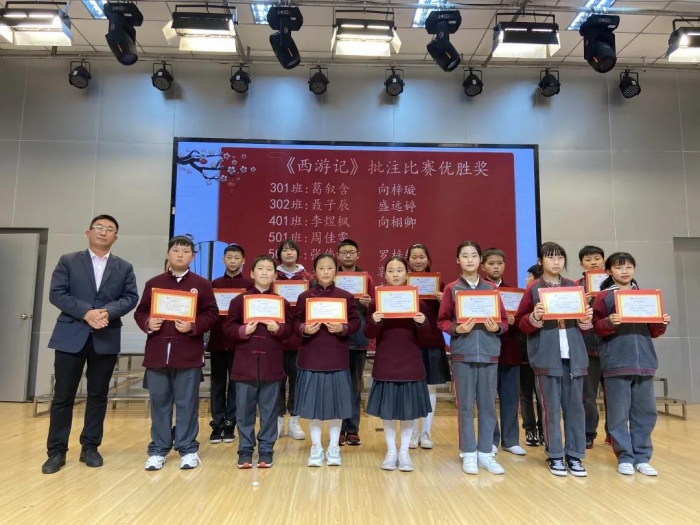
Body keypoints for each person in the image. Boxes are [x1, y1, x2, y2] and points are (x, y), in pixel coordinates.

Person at [42, 214, 139, 475]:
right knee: (63, 396)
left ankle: (90, 447)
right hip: (70, 335)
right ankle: (56, 451)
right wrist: (86, 312)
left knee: (98, 395)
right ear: (88, 232)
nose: (103, 232)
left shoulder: (124, 267)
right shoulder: (69, 261)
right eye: (99, 227)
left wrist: (107, 311)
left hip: (105, 336)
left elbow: (131, 297)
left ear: (115, 237)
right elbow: (57, 293)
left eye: (109, 229)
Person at [134, 236, 219, 471]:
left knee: (187, 403)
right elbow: (141, 311)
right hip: (158, 353)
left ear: (192, 256)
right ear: (167, 254)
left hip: (187, 353)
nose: (180, 254)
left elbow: (211, 314)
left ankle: (188, 448)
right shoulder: (154, 283)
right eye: (176, 250)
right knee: (159, 403)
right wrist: (148, 322)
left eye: (186, 251)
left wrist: (193, 325)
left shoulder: (202, 284)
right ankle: (158, 449)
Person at [515, 242, 592, 477]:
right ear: (540, 262)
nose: (556, 262)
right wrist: (534, 317)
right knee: (550, 409)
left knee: (575, 409)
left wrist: (585, 319)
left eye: (560, 257)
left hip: (574, 356)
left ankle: (575, 455)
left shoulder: (574, 288)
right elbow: (521, 323)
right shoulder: (533, 289)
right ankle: (555, 454)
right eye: (550, 258)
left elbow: (584, 326)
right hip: (547, 357)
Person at [593, 252, 670, 476]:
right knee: (618, 414)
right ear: (609, 271)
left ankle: (642, 458)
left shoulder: (646, 297)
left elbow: (654, 331)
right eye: (619, 267)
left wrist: (662, 323)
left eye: (629, 267)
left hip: (644, 362)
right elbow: (596, 327)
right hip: (616, 362)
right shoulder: (604, 297)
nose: (625, 271)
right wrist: (609, 322)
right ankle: (625, 457)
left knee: (646, 413)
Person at [437, 241, 508, 476]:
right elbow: (442, 321)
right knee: (465, 406)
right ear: (458, 260)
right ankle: (468, 452)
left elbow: (504, 321)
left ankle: (485, 453)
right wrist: (457, 329)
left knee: (488, 405)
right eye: (465, 256)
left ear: (480, 261)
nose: (470, 259)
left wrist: (496, 327)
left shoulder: (491, 289)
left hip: (489, 352)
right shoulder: (452, 289)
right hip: (463, 353)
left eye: (474, 255)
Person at [224, 255, 292, 469]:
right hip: (245, 365)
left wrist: (278, 329)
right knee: (244, 411)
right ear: (252, 273)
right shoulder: (239, 301)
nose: (264, 272)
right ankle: (245, 450)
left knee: (270, 411)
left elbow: (290, 330)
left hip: (271, 365)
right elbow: (228, 328)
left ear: (275, 275)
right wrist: (243, 330)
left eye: (269, 269)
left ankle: (266, 449)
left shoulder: (281, 302)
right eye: (260, 268)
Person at [293, 253, 360, 467]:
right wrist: (304, 329)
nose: (325, 272)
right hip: (311, 356)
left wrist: (343, 328)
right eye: (321, 268)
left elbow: (356, 322)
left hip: (336, 357)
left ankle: (333, 447)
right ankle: (316, 447)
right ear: (314, 271)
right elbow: (295, 322)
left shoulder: (345, 297)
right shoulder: (305, 297)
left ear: (336, 271)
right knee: (312, 406)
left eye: (330, 268)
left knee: (336, 405)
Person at [365, 256, 432, 472]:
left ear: (407, 273)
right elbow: (368, 333)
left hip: (410, 362)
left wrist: (422, 323)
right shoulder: (376, 302)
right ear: (384, 274)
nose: (395, 274)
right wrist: (375, 321)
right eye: (391, 270)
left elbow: (426, 338)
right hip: (386, 361)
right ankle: (391, 450)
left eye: (399, 270)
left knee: (407, 411)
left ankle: (404, 452)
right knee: (388, 411)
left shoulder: (418, 302)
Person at [481, 248, 527, 457]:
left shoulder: (513, 293)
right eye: (491, 263)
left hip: (510, 352)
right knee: (487, 400)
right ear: (483, 266)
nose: (496, 267)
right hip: (485, 351)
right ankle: (490, 440)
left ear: (505, 265)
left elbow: (523, 323)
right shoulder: (478, 292)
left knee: (510, 398)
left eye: (499, 263)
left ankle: (510, 440)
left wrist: (514, 321)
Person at [207, 243, 254, 445]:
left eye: (236, 257)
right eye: (229, 257)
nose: (233, 261)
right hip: (218, 340)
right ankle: (217, 423)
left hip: (240, 342)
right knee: (217, 384)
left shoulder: (250, 285)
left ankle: (230, 423)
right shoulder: (213, 284)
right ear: (223, 260)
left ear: (243, 261)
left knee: (236, 384)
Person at [406, 243, 451, 450]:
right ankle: (412, 432)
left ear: (428, 259)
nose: (418, 260)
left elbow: (449, 315)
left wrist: (443, 301)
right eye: (414, 257)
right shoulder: (402, 282)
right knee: (411, 387)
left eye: (421, 257)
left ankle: (426, 432)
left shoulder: (440, 285)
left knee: (430, 387)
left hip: (432, 340)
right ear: (408, 260)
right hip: (410, 342)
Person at [337, 239, 374, 446]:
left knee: (353, 385)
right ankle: (337, 428)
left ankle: (352, 429)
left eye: (351, 252)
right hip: (335, 339)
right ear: (338, 255)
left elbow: (377, 307)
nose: (348, 255)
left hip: (358, 338)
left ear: (358, 255)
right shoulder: (331, 276)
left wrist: (369, 304)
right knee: (337, 385)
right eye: (344, 252)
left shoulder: (366, 278)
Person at [275, 239, 312, 440]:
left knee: (298, 383)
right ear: (279, 254)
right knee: (277, 381)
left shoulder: (308, 278)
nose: (289, 253)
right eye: (285, 250)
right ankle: (279, 419)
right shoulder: (272, 277)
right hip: (277, 338)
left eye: (292, 250)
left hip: (300, 340)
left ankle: (295, 420)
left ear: (298, 254)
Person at [577, 245, 610, 448]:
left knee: (614, 395)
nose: (593, 262)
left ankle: (613, 434)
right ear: (582, 264)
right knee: (588, 395)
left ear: (604, 261)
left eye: (597, 258)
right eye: (588, 260)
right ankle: (588, 432)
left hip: (613, 346)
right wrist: (584, 302)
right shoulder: (576, 287)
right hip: (587, 346)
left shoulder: (617, 285)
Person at [519, 264, 544, 447]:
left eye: (529, 276)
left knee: (543, 395)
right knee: (526, 393)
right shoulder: (522, 296)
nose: (526, 279)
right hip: (523, 351)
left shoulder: (549, 298)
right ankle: (530, 429)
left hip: (542, 351)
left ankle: (543, 430)